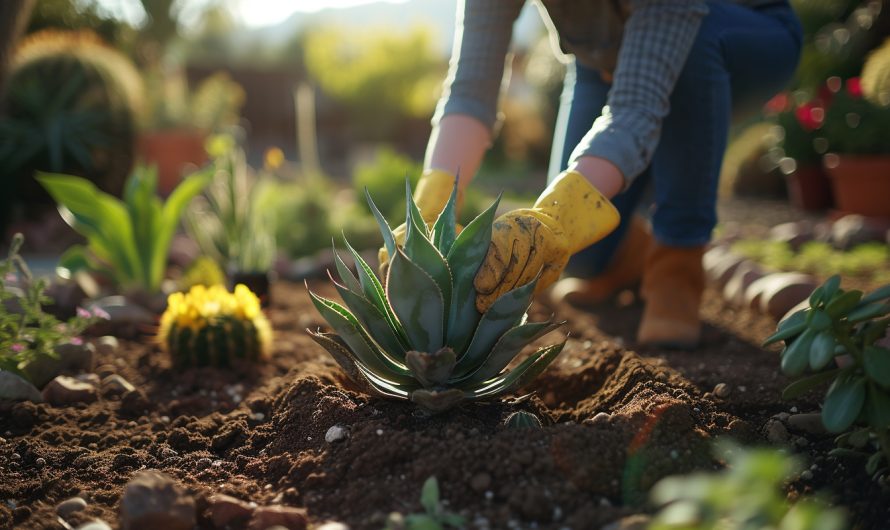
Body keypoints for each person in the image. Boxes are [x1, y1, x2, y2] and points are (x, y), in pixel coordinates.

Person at [399, 0, 802, 348]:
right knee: (583, 254)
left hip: (735, 30)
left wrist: (553, 220)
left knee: (693, 48)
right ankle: (634, 253)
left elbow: (635, 114)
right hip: (601, 58)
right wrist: (429, 206)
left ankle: (677, 265)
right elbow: (470, 91)